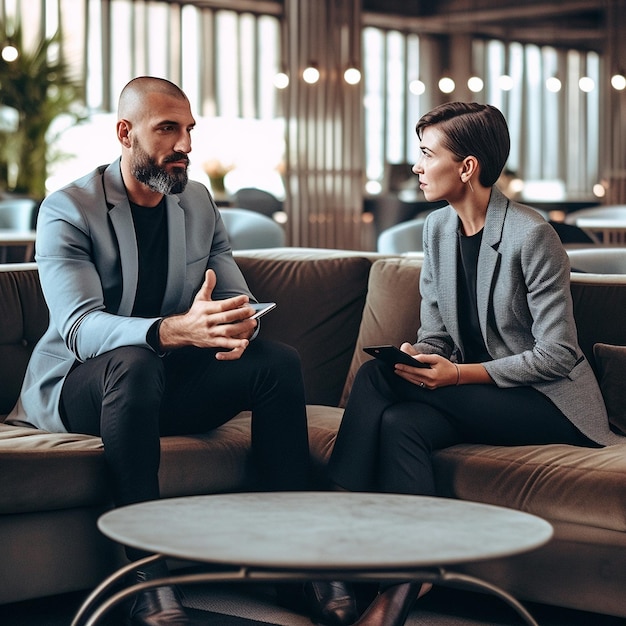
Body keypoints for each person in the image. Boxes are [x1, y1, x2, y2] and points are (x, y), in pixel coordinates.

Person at [8, 76, 313, 626]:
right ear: (125, 133)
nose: (185, 145)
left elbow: (234, 292)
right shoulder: (68, 209)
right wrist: (175, 331)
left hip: (162, 385)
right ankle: (146, 574)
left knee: (278, 363)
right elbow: (79, 328)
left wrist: (237, 323)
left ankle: (290, 562)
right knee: (136, 360)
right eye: (168, 129)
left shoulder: (196, 201)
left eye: (190, 129)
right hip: (86, 388)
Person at [325, 101, 624, 626]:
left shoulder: (533, 236)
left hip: (549, 403)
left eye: (425, 153)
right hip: (481, 395)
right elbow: (438, 334)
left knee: (376, 377)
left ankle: (324, 540)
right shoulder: (437, 230)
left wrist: (458, 374)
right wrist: (424, 356)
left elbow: (558, 354)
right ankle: (408, 578)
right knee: (401, 422)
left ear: (467, 167)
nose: (415, 166)